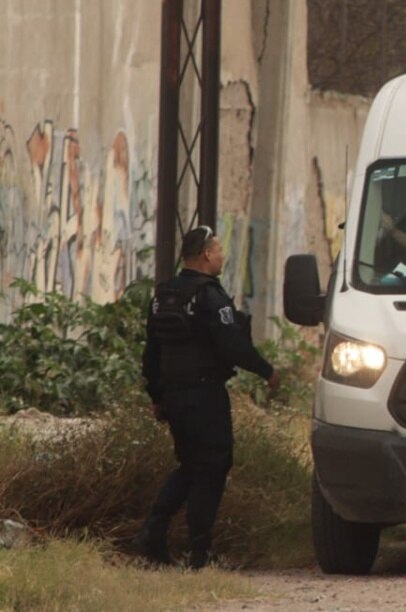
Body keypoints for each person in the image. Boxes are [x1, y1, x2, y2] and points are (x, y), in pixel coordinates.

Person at [134, 226, 280, 569]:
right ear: (206, 254)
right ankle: (199, 553)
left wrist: (157, 396)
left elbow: (151, 354)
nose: (222, 256)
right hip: (204, 395)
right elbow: (234, 346)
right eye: (219, 250)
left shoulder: (164, 296)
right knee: (213, 465)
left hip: (174, 396)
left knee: (190, 465)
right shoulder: (210, 297)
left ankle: (153, 532)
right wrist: (267, 372)